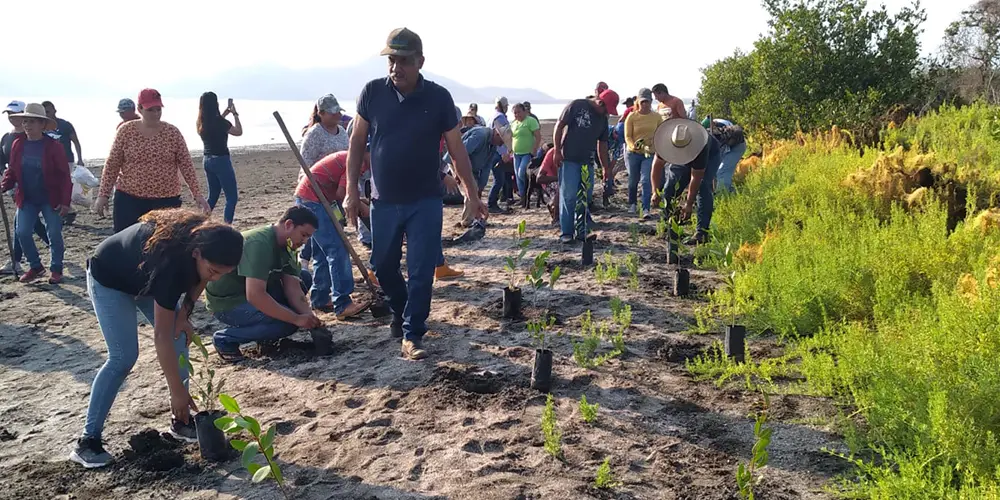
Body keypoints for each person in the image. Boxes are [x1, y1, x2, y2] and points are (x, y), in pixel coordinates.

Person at [345, 27, 487, 360]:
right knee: (382, 265)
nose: (396, 68)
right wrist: (351, 190)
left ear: (420, 61)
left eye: (404, 61)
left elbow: (457, 151)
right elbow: (355, 143)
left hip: (425, 200)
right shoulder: (372, 93)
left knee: (422, 269)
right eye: (391, 60)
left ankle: (413, 334)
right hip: (384, 200)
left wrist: (471, 192)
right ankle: (402, 310)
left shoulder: (438, 98)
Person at [69, 209, 244, 469]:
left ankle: (181, 423)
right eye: (214, 271)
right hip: (110, 279)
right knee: (123, 357)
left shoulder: (206, 244)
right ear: (196, 253)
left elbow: (201, 279)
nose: (216, 278)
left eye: (223, 273)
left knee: (180, 337)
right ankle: (87, 441)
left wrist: (185, 313)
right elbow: (160, 335)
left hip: (144, 276)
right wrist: (177, 392)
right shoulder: (171, 265)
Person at [205, 206, 322, 361]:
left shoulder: (288, 245)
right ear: (288, 225)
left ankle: (266, 336)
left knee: (304, 277)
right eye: (303, 235)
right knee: (287, 324)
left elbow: (293, 287)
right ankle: (225, 339)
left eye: (308, 238)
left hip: (252, 291)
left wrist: (309, 317)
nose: (305, 242)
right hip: (228, 303)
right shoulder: (259, 243)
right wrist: (295, 318)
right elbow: (255, 295)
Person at [95, 89, 209, 232]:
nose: (156, 114)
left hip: (166, 200)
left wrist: (197, 194)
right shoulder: (125, 131)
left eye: (158, 109)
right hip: (129, 198)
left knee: (163, 246)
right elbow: (112, 164)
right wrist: (103, 195)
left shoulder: (172, 133)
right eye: (151, 110)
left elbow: (186, 165)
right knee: (128, 245)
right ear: (140, 109)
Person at [294, 150, 370, 319]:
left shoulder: (355, 160)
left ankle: (320, 297)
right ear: (367, 152)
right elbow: (342, 195)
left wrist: (360, 201)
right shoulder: (354, 161)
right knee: (337, 250)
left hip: (315, 199)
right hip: (313, 200)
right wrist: (357, 205)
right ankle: (343, 303)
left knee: (322, 252)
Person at [0, 103, 71, 283]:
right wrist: (4, 185)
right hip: (27, 197)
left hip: (50, 197)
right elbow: (12, 171)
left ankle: (56, 269)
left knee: (54, 233)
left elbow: (64, 175)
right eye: (25, 121)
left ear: (42, 124)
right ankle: (36, 266)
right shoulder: (18, 144)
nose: (27, 125)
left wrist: (65, 201)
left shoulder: (53, 146)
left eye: (31, 122)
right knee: (22, 232)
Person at [551, 94, 613, 243]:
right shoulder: (577, 105)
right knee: (569, 196)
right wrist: (557, 150)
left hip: (588, 161)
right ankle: (566, 233)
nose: (607, 113)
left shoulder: (603, 119)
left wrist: (606, 167)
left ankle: (582, 231)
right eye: (606, 109)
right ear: (600, 102)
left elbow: (602, 145)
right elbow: (559, 126)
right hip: (569, 159)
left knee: (585, 196)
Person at [298, 94, 350, 268]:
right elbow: (306, 164)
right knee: (322, 235)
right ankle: (304, 260)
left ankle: (318, 274)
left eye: (338, 112)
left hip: (335, 191)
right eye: (333, 112)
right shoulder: (314, 134)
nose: (338, 116)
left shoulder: (342, 132)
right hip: (315, 191)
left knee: (335, 229)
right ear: (321, 113)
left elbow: (348, 161)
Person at [652, 119, 722, 245]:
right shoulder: (664, 142)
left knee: (703, 187)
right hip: (682, 160)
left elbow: (696, 178)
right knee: (670, 189)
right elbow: (656, 168)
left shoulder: (701, 145)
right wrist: (655, 192)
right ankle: (668, 226)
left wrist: (689, 204)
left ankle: (702, 233)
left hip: (710, 156)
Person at [0, 100, 49, 275]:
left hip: (34, 190)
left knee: (25, 225)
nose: (12, 118)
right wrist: (5, 183)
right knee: (26, 225)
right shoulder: (7, 137)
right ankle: (20, 260)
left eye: (15, 115)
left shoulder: (32, 139)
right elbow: (3, 162)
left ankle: (18, 260)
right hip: (16, 188)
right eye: (8, 115)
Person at [197, 92, 243, 224]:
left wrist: (224, 114)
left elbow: (216, 125)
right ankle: (227, 226)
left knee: (212, 196)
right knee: (231, 198)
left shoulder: (201, 122)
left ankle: (200, 222)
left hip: (207, 160)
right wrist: (235, 114)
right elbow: (238, 132)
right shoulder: (220, 123)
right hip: (221, 160)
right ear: (215, 104)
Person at [624, 88, 662, 215]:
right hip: (633, 153)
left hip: (649, 153)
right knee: (633, 179)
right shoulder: (632, 116)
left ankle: (646, 208)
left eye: (648, 101)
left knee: (646, 180)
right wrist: (632, 145)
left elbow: (660, 133)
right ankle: (633, 204)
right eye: (643, 101)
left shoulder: (656, 117)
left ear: (651, 102)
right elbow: (628, 136)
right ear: (638, 102)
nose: (645, 104)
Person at [650, 83, 689, 206]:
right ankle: (655, 192)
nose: (656, 99)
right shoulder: (660, 106)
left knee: (675, 170)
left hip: (677, 138)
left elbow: (684, 119)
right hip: (664, 138)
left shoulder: (676, 102)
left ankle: (676, 196)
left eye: (657, 96)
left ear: (662, 92)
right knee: (656, 164)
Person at [704, 117, 747, 193]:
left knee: (722, 171)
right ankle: (730, 190)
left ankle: (723, 194)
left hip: (737, 147)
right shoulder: (712, 130)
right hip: (727, 146)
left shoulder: (722, 127)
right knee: (716, 170)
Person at [486, 96, 512, 213]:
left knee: (499, 179)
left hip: (492, 151)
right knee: (499, 180)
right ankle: (491, 203)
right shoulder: (500, 117)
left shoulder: (492, 116)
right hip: (498, 152)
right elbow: (503, 136)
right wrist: (504, 153)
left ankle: (493, 202)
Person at [510, 103, 541, 199]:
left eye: (519, 112)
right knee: (517, 176)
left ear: (524, 111)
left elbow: (538, 136)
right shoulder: (514, 123)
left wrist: (534, 149)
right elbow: (511, 138)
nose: (517, 115)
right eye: (515, 113)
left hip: (527, 153)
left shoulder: (530, 121)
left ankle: (528, 192)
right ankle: (523, 197)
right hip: (516, 154)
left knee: (521, 173)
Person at [536, 145, 560, 224]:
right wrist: (558, 178)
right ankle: (556, 217)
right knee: (561, 188)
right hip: (551, 181)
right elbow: (539, 178)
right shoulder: (552, 153)